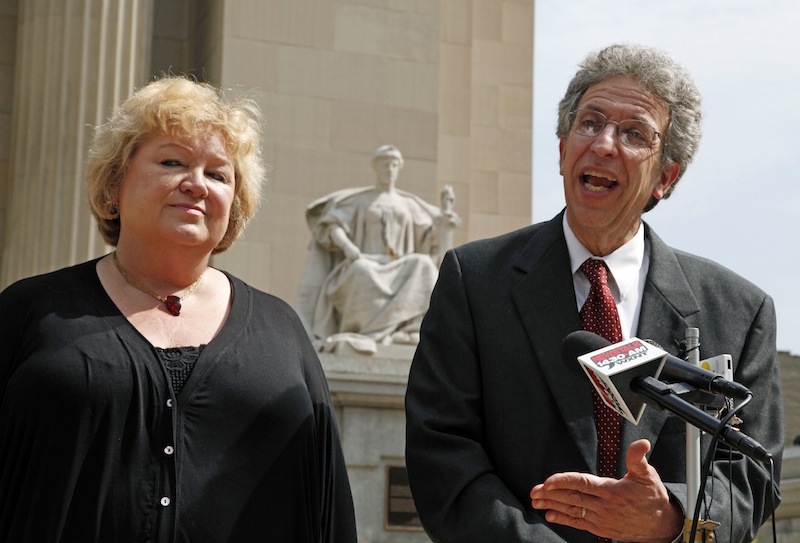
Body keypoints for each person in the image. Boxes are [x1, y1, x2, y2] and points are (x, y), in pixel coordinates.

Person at [405, 43, 783, 543]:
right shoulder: (473, 280)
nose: (604, 144)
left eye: (633, 133)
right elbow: (442, 452)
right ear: (562, 151)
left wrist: (670, 516)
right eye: (590, 122)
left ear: (665, 178)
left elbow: (751, 473)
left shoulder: (739, 311)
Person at [0, 76, 357, 542]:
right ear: (113, 186)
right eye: (172, 162)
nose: (197, 185)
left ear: (235, 205)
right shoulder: (30, 311)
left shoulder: (281, 329)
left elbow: (326, 505)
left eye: (218, 174)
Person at [297, 144, 460, 354]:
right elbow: (331, 224)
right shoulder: (361, 200)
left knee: (424, 264)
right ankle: (369, 331)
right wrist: (348, 248)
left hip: (399, 264)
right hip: (367, 260)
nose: (389, 170)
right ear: (376, 168)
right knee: (361, 270)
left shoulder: (407, 204)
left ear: (398, 168)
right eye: (385, 165)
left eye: (393, 165)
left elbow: (432, 238)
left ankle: (408, 327)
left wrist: (445, 216)